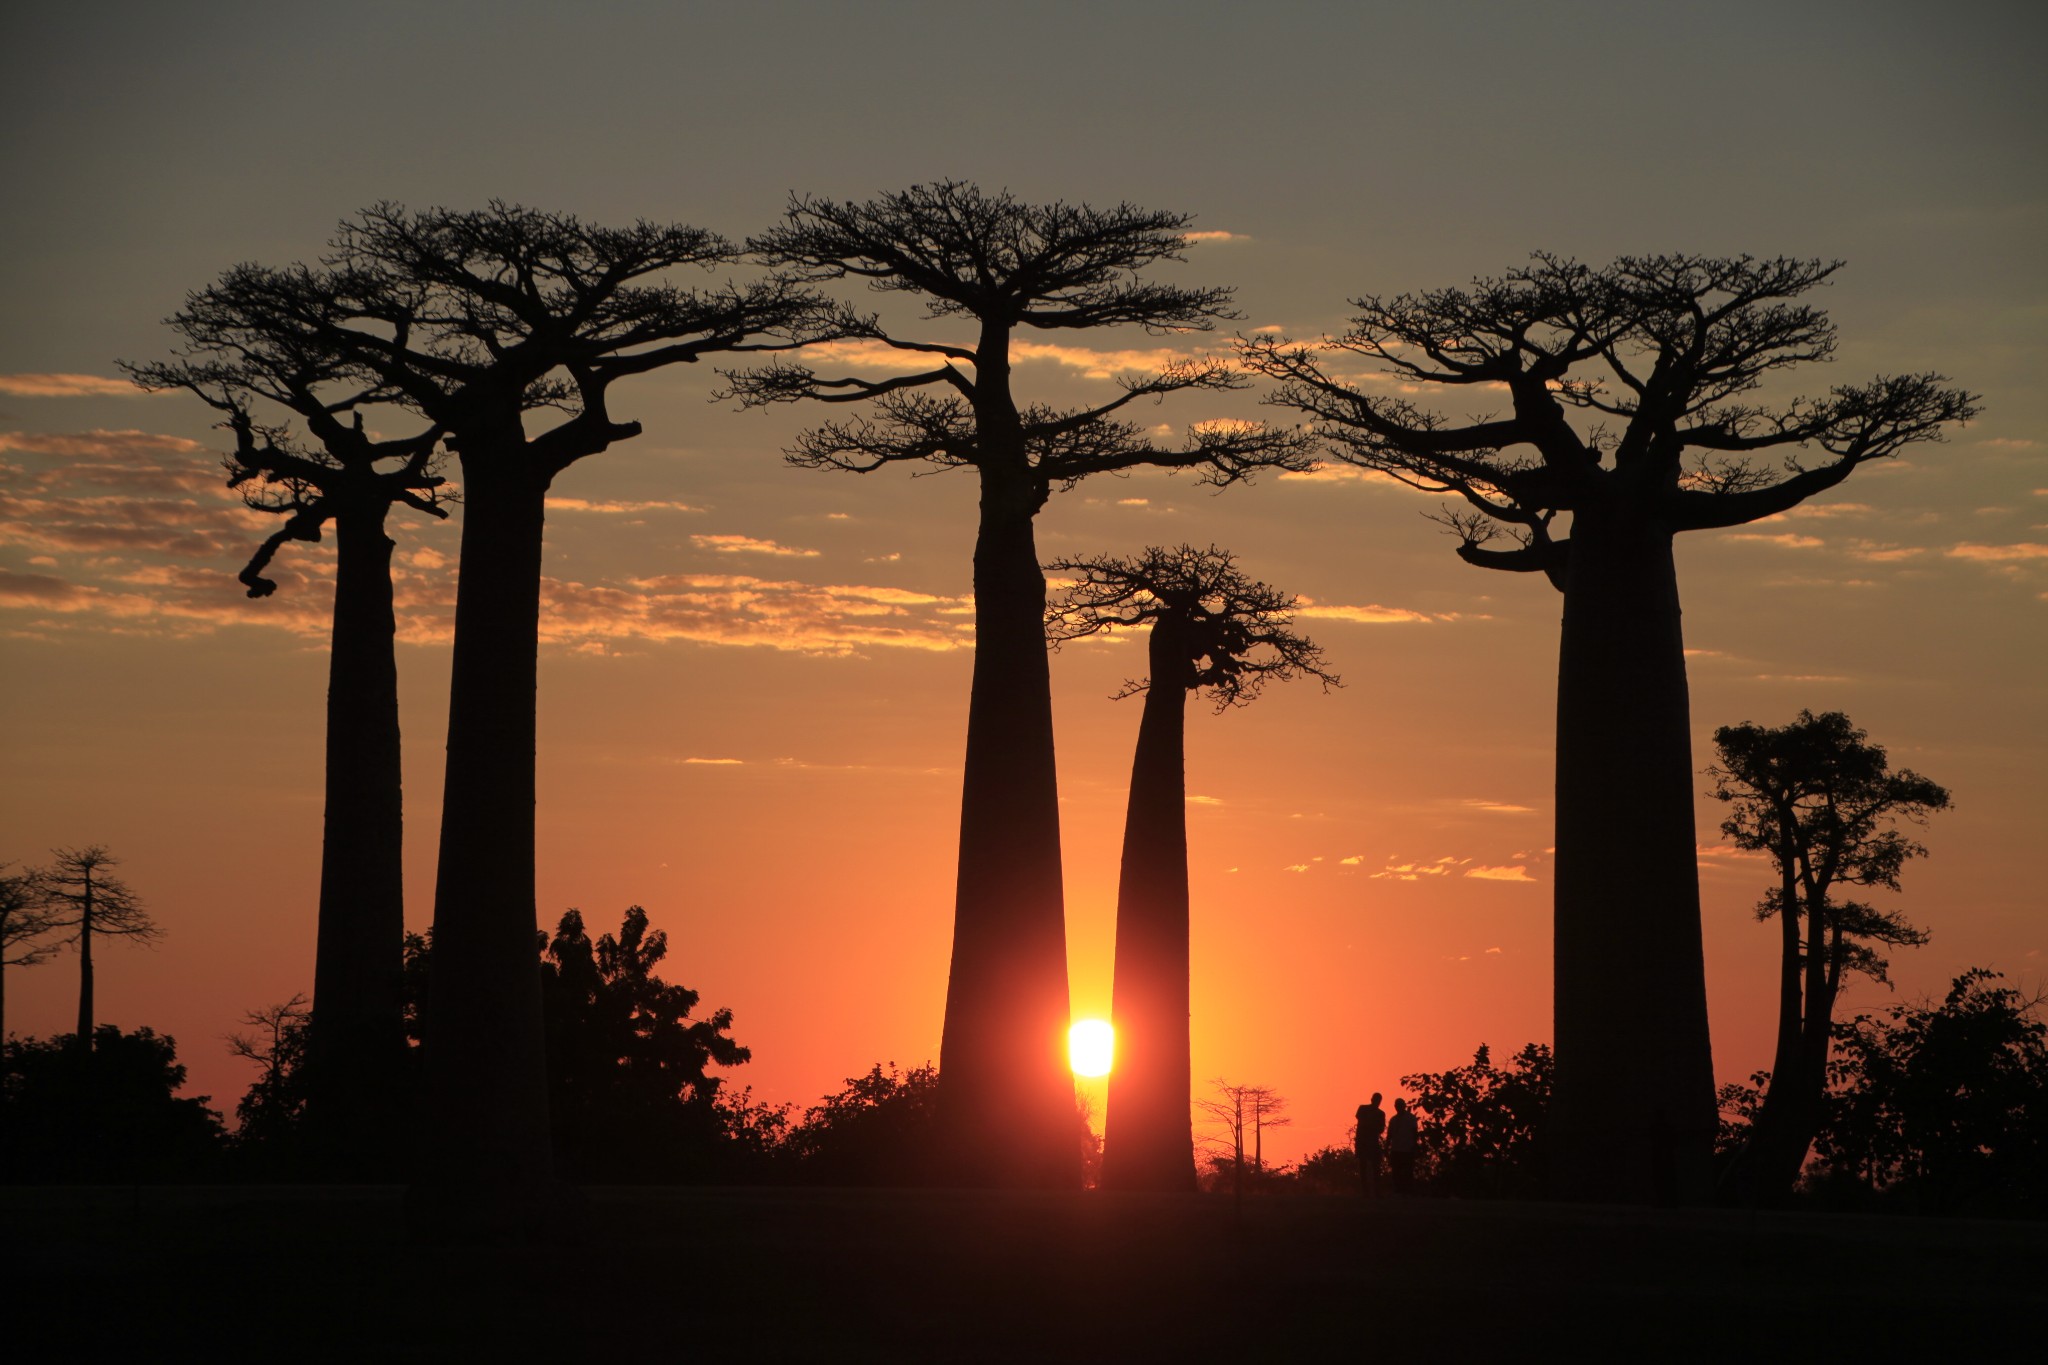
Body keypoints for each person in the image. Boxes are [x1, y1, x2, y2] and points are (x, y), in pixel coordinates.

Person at [1353, 1092, 1386, 1197]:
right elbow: (1362, 1121)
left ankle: (1375, 1191)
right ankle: (1366, 1192)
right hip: (1363, 1142)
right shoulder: (1363, 1109)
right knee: (1364, 1168)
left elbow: (1380, 1129)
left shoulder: (1380, 1113)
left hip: (1371, 1143)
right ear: (1372, 1099)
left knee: (1374, 1168)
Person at [1387, 1096, 1419, 1194]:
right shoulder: (1393, 1120)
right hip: (1396, 1149)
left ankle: (1408, 1191)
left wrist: (1414, 1146)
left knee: (1408, 1172)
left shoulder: (1411, 1118)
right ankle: (1398, 1191)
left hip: (1407, 1149)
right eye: (1397, 1105)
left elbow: (1415, 1133)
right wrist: (1387, 1147)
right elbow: (1390, 1135)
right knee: (1396, 1173)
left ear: (1404, 1106)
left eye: (1400, 1105)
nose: (1398, 1107)